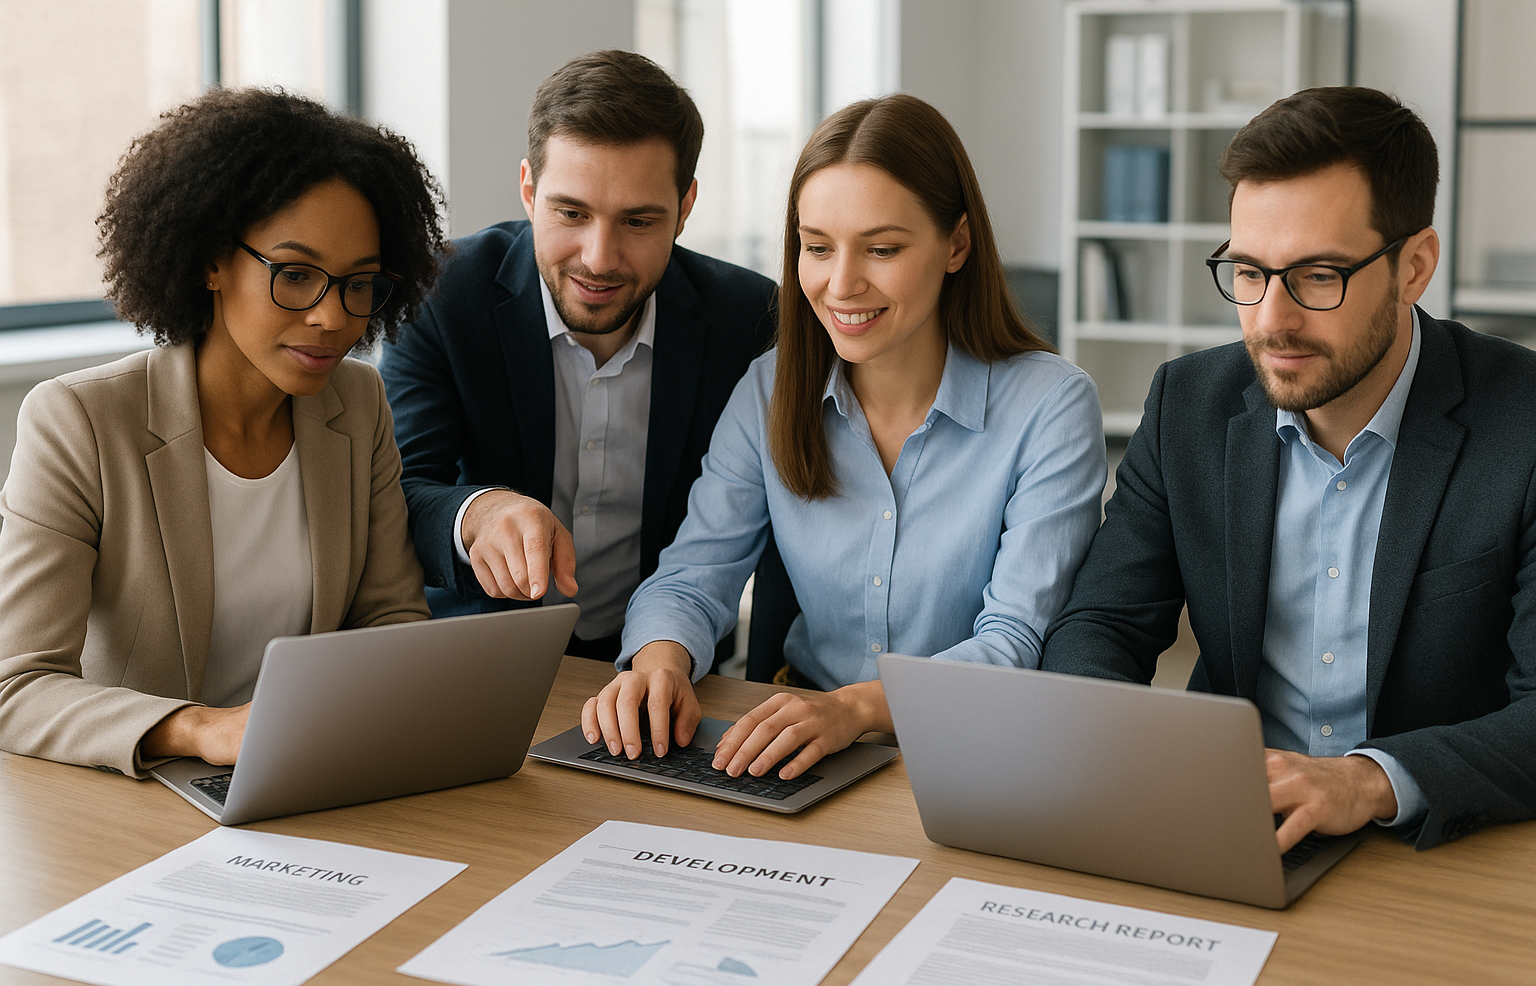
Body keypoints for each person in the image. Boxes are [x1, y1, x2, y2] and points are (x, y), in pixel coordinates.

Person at [1040, 85, 1536, 851]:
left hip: (1435, 843)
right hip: (1229, 824)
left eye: (1318, 276)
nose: (1272, 320)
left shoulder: (1524, 423)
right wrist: (1135, 758)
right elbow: (1102, 623)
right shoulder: (1188, 405)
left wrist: (1368, 781)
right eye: (1248, 272)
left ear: (1414, 266)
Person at [583, 94, 1107, 780]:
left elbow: (1013, 640)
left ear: (956, 243)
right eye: (817, 248)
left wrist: (856, 711)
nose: (841, 284)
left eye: (882, 249)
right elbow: (690, 579)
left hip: (974, 751)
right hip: (806, 747)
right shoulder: (770, 390)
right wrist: (658, 664)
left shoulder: (1051, 405)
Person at [0, 87, 444, 776]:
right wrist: (199, 728)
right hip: (136, 795)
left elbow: (391, 622)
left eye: (358, 284)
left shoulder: (357, 405)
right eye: (295, 275)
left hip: (300, 776)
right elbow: (15, 686)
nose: (332, 318)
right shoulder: (80, 422)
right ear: (211, 261)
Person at [380, 50, 775, 663]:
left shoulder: (748, 321)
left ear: (685, 206)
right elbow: (394, 493)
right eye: (571, 213)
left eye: (638, 222)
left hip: (667, 670)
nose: (598, 257)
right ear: (528, 189)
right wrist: (476, 513)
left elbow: (779, 524)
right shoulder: (443, 295)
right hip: (473, 663)